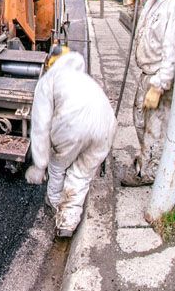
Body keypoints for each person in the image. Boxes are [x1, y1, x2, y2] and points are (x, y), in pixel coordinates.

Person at [25, 46, 116, 238]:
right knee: (81, 174)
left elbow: (41, 125)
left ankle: (54, 205)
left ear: (50, 65)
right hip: (106, 125)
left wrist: (40, 165)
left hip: (73, 127)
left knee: (57, 166)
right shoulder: (84, 79)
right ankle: (67, 223)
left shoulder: (49, 80)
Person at [120, 0, 175, 187]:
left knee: (154, 128)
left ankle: (150, 173)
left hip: (158, 78)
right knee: (139, 121)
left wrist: (159, 86)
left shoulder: (173, 5)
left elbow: (172, 50)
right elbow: (144, 27)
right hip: (145, 75)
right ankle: (148, 160)